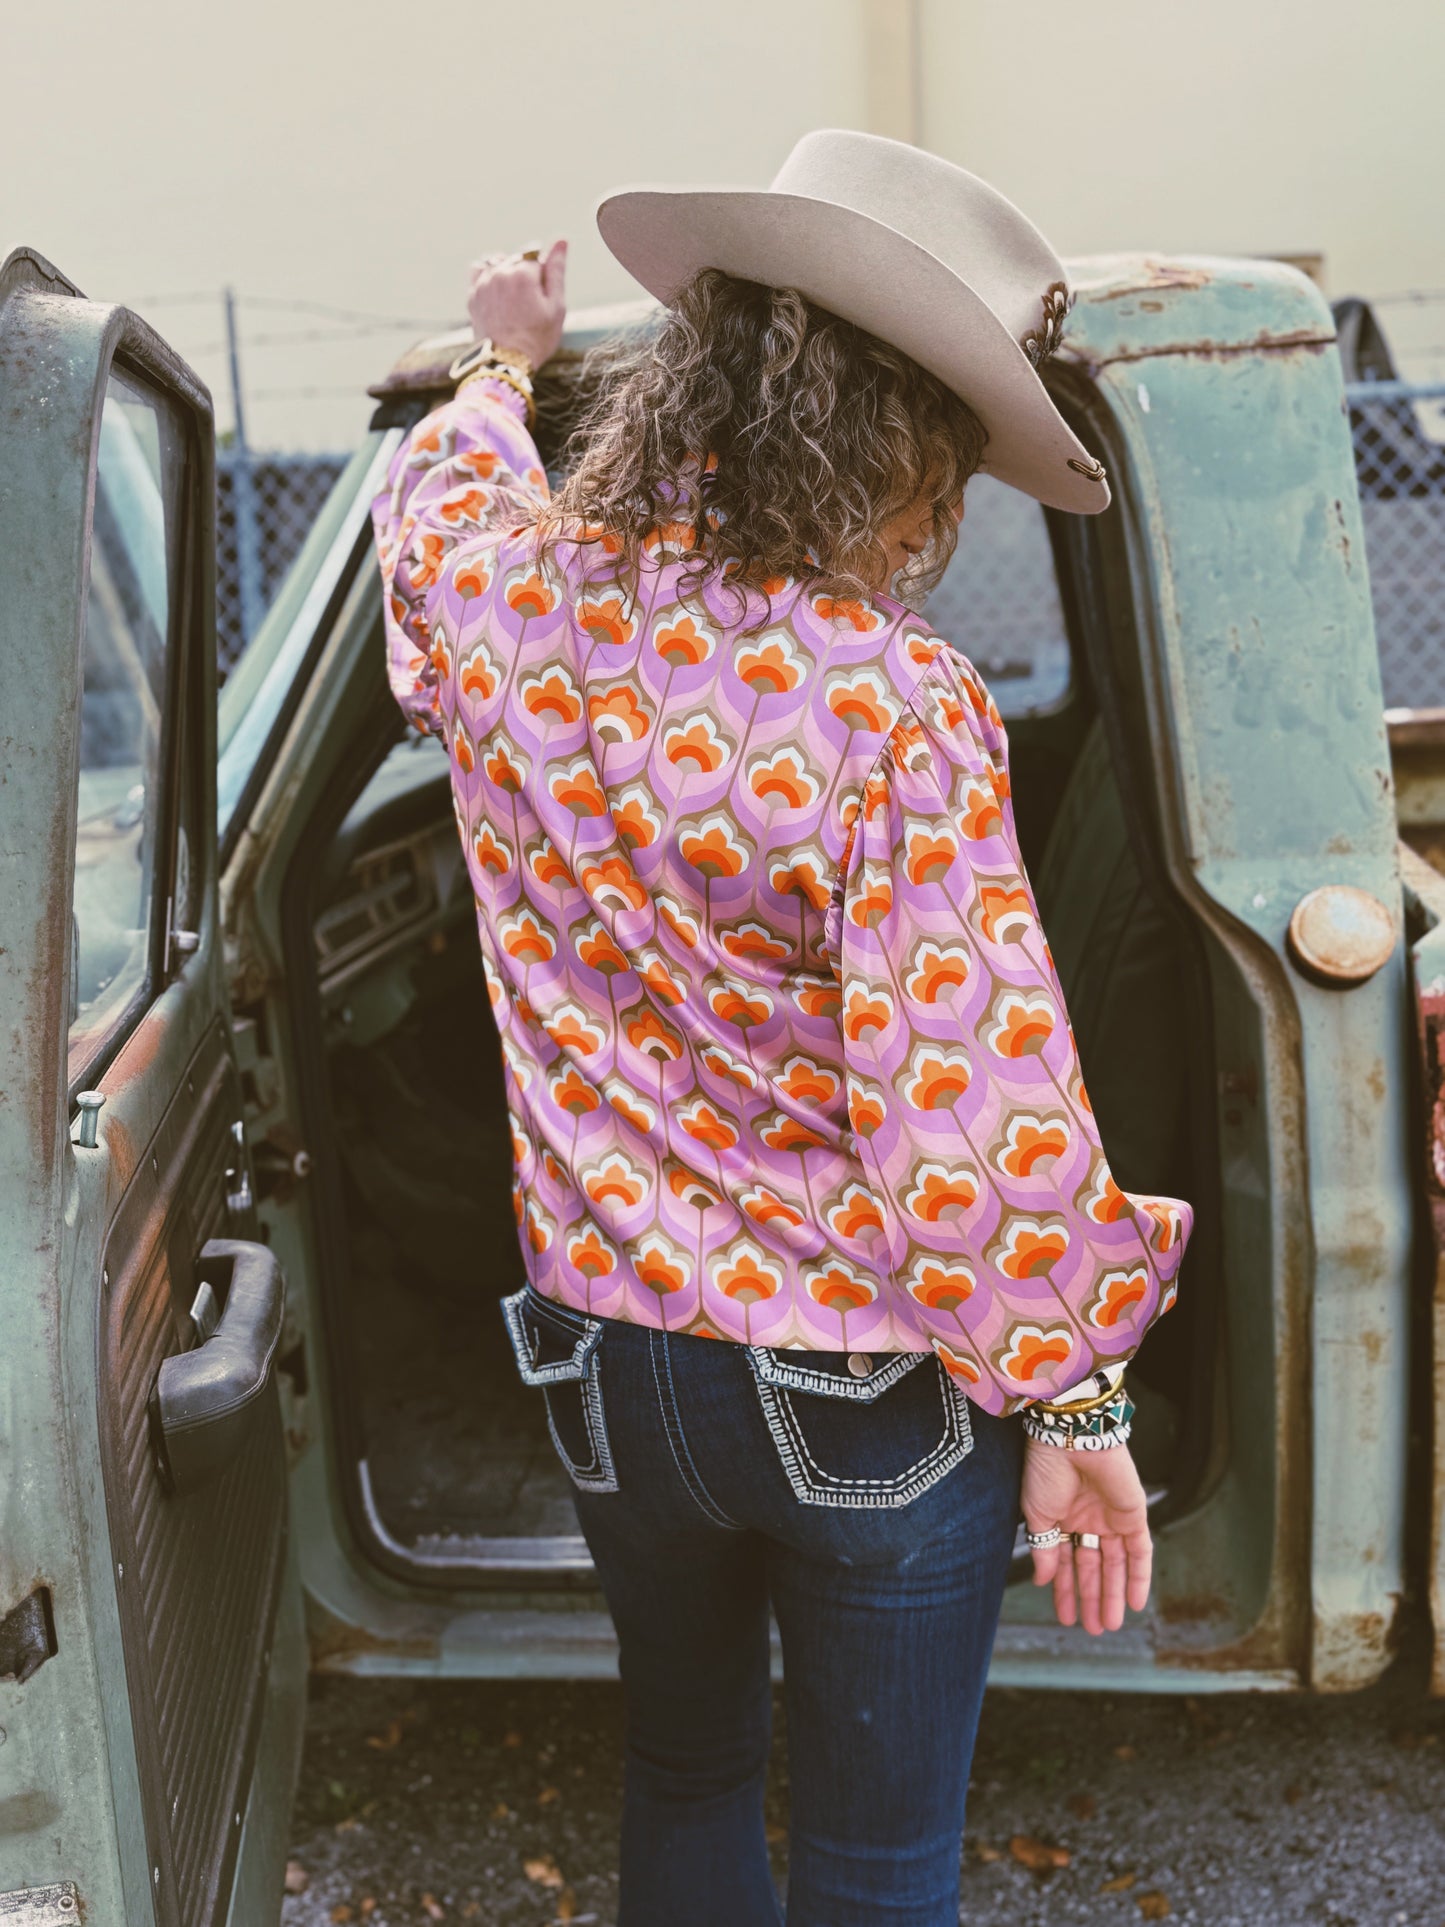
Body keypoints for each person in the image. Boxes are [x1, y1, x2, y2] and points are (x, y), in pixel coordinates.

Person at [373, 128, 1193, 1927]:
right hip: (856, 1382)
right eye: (944, 466)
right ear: (891, 447)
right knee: (877, 1862)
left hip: (606, 1356)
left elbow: (430, 510)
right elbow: (969, 1099)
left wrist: (501, 359)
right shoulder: (891, 703)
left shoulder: (505, 605)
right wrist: (1074, 1391)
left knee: (679, 1772)